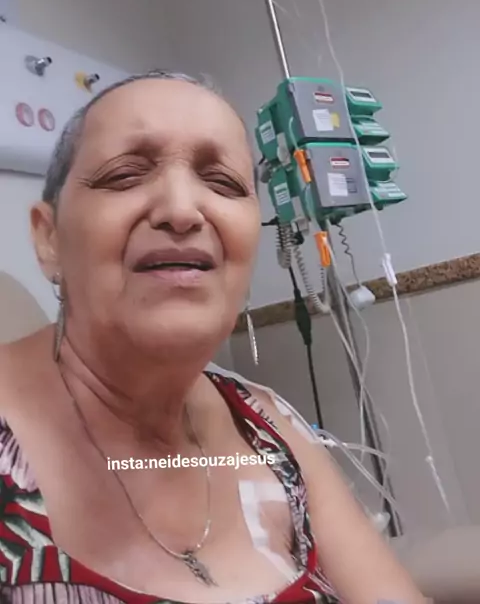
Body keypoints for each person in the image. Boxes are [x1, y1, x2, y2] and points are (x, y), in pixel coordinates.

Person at [0, 70, 426, 604]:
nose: (182, 211)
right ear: (49, 238)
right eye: (125, 175)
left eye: (223, 183)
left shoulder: (269, 422)